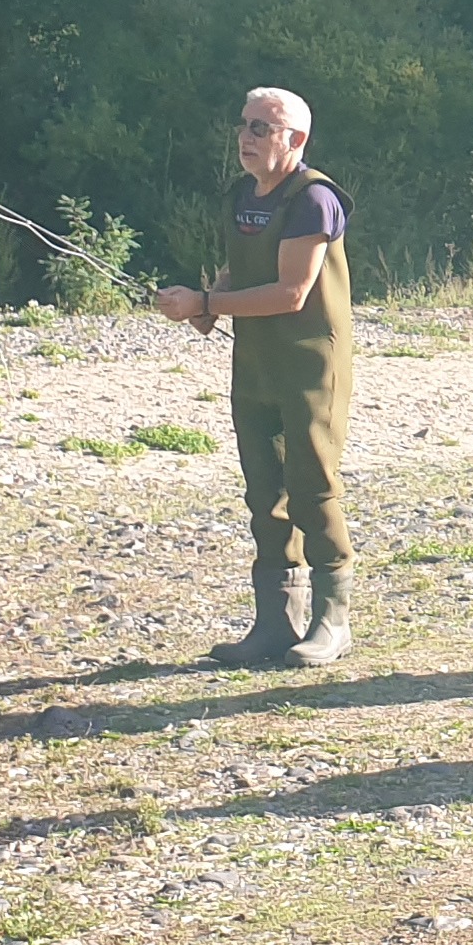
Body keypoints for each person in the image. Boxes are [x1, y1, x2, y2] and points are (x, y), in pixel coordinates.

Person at [156, 87, 359, 669]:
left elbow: (292, 291)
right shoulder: (242, 195)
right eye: (243, 124)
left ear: (296, 141)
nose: (246, 137)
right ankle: (274, 623)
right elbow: (241, 268)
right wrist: (208, 301)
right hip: (255, 364)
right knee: (263, 489)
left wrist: (208, 303)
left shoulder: (313, 199)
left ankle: (330, 621)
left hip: (309, 364)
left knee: (312, 484)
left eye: (261, 128)